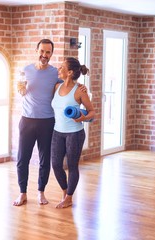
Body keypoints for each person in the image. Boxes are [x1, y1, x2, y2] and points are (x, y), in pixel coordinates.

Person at [13, 39, 87, 206]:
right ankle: (22, 193)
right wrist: (20, 90)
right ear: (36, 50)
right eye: (42, 51)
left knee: (45, 160)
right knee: (22, 158)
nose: (44, 55)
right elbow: (21, 90)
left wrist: (82, 87)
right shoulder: (26, 70)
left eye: (48, 52)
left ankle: (41, 192)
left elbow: (70, 83)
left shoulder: (55, 73)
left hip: (47, 122)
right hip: (27, 120)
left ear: (51, 54)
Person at [51, 57, 95, 208]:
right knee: (56, 165)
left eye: (62, 67)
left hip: (74, 134)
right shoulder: (57, 87)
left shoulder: (79, 91)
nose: (59, 69)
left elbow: (92, 112)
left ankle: (69, 197)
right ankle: (65, 192)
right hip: (57, 132)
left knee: (72, 165)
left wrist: (83, 117)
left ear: (69, 72)